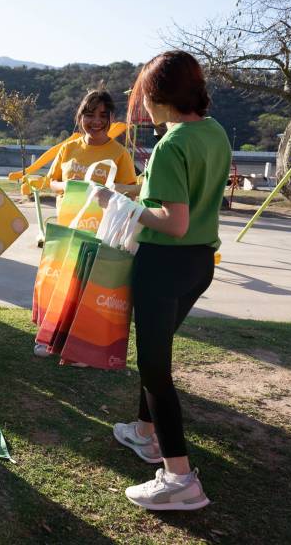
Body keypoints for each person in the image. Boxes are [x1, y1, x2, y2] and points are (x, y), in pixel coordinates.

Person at [97, 51, 231, 511]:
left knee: (155, 368)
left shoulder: (172, 144)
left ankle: (179, 477)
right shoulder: (211, 132)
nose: (141, 107)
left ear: (158, 95)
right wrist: (138, 195)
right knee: (156, 350)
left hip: (165, 262)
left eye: (143, 97)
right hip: (199, 262)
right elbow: (188, 200)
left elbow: (172, 221)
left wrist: (119, 203)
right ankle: (145, 432)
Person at [46, 89, 138, 196]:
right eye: (90, 115)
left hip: (105, 213)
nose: (96, 121)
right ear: (80, 117)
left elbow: (130, 194)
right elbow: (53, 182)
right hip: (67, 212)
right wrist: (66, 185)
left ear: (112, 118)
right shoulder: (67, 148)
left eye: (103, 116)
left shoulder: (121, 153)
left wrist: (104, 193)